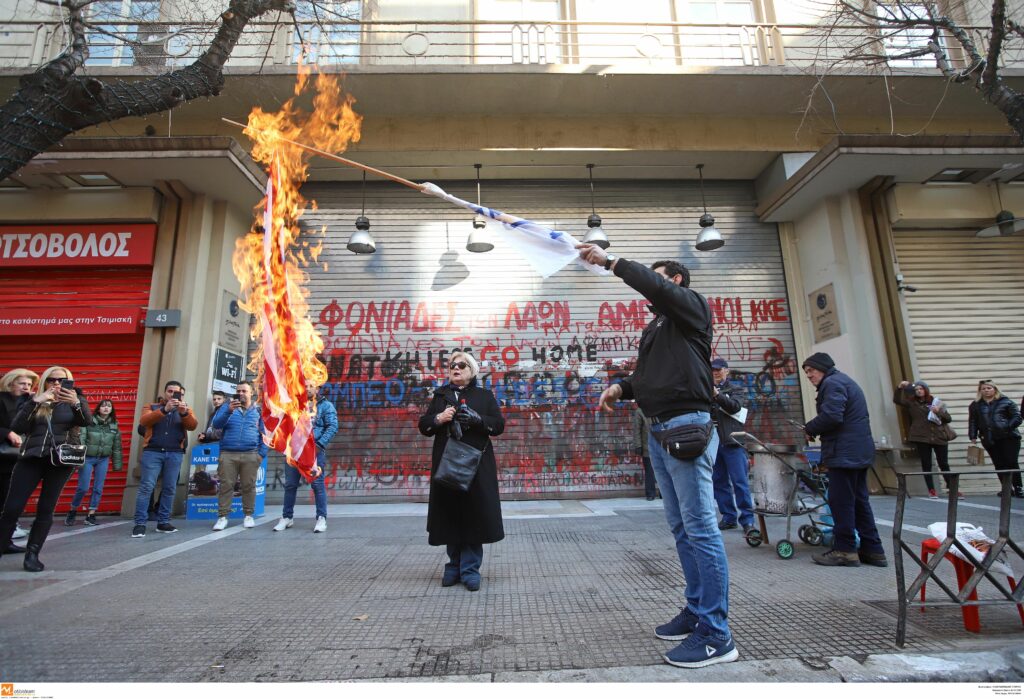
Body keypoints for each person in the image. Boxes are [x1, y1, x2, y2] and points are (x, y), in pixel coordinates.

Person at [578, 244, 738, 670]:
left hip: (687, 426)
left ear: (676, 282)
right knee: (683, 528)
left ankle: (717, 634)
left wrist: (612, 262)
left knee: (701, 527)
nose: (651, 284)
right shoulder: (662, 327)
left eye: (659, 277)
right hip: (660, 428)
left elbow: (654, 286)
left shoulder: (692, 309)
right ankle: (697, 609)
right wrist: (623, 387)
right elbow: (652, 375)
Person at [417, 351, 505, 592]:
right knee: (450, 516)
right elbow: (424, 426)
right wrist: (438, 418)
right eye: (452, 365)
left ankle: (470, 570)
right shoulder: (441, 395)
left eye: (461, 365)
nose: (455, 368)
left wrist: (478, 419)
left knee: (474, 516)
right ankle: (453, 567)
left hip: (475, 466)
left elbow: (498, 426)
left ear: (472, 370)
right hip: (447, 466)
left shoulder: (484, 395)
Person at [0, 366, 91, 572]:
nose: (56, 384)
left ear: (70, 382)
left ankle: (32, 554)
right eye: (51, 379)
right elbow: (19, 427)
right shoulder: (33, 400)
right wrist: (36, 401)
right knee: (12, 508)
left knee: (45, 508)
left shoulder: (77, 400)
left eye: (62, 380)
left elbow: (86, 421)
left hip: (59, 461)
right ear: (45, 381)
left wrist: (75, 403)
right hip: (31, 458)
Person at [801, 353, 887, 568]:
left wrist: (809, 427)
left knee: (842, 503)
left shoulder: (832, 383)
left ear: (823, 368)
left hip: (845, 454)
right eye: (806, 372)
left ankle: (845, 550)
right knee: (859, 501)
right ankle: (873, 549)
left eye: (811, 370)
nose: (809, 375)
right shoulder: (842, 381)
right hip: (856, 452)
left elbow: (832, 415)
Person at [132, 381, 198, 538]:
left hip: (174, 453)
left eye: (177, 392)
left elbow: (193, 425)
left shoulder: (186, 409)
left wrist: (184, 413)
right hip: (153, 452)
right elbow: (144, 422)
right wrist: (164, 410)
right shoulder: (151, 406)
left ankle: (163, 522)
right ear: (165, 392)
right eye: (170, 391)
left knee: (169, 488)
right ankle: (140, 523)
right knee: (147, 487)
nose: (173, 395)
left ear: (182, 395)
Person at [274, 380, 338, 533]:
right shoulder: (294, 406)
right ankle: (287, 517)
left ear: (317, 389)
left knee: (317, 485)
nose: (308, 389)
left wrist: (319, 445)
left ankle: (321, 518)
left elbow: (333, 426)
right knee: (290, 485)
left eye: (311, 386)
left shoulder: (325, 405)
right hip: (294, 452)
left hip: (314, 453)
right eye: (305, 386)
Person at [210, 380, 268, 531]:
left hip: (250, 454)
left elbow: (267, 434)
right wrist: (228, 410)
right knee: (225, 486)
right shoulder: (226, 407)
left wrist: (260, 454)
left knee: (249, 486)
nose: (241, 393)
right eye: (239, 391)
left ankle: (248, 515)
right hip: (228, 454)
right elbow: (216, 424)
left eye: (244, 391)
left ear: (251, 393)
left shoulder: (258, 411)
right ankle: (222, 517)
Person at [709, 358, 755, 534]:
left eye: (719, 370)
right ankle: (728, 517)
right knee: (719, 481)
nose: (716, 372)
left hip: (733, 442)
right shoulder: (705, 389)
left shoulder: (735, 389)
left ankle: (748, 520)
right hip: (713, 443)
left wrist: (717, 396)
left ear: (726, 371)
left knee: (740, 482)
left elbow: (735, 407)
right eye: (713, 370)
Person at [893, 380, 959, 499]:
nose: (919, 391)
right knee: (926, 463)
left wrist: (938, 412)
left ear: (926, 390)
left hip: (939, 436)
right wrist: (899, 388)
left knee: (944, 463)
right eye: (916, 389)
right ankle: (931, 490)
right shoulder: (912, 403)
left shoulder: (936, 402)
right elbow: (897, 400)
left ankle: (952, 488)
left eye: (921, 389)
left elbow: (948, 418)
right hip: (921, 437)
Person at [65, 399, 123, 526]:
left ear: (112, 409)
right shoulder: (89, 422)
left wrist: (117, 464)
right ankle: (72, 510)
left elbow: (117, 446)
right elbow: (82, 439)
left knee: (98, 488)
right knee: (83, 487)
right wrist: (80, 457)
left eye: (109, 406)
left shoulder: (114, 425)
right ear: (98, 408)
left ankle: (91, 514)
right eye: (103, 406)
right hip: (88, 458)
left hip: (103, 459)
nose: (106, 408)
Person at [0, 368, 38, 551]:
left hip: (20, 459)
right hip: (3, 457)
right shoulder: (1, 400)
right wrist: (7, 432)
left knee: (11, 502)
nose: (26, 387)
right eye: (22, 383)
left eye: (29, 384)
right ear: (10, 383)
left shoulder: (29, 402)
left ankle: (5, 542)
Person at [968, 380, 1023, 498]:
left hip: (1009, 437)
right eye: (984, 388)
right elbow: (973, 421)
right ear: (980, 391)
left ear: (995, 389)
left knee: (1011, 462)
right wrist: (972, 436)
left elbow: (1017, 417)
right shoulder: (975, 405)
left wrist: (1007, 427)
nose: (986, 390)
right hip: (989, 438)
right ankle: (1007, 489)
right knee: (999, 463)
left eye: (989, 388)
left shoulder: (1006, 401)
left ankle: (1018, 488)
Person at [632, 408, 659, 500]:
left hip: (661, 446)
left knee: (664, 471)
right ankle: (650, 493)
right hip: (647, 447)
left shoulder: (659, 408)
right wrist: (638, 446)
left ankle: (663, 493)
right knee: (650, 472)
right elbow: (637, 430)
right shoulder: (640, 411)